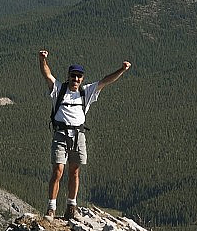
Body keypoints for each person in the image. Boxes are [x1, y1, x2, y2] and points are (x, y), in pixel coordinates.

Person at [38, 50, 131, 219]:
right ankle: (51, 208)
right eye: (73, 76)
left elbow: (105, 81)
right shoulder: (58, 89)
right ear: (69, 76)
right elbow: (47, 74)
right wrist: (42, 60)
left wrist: (122, 70)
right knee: (57, 171)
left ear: (82, 78)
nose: (76, 79)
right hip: (60, 134)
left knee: (75, 172)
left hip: (78, 135)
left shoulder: (86, 92)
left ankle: (71, 206)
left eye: (79, 77)